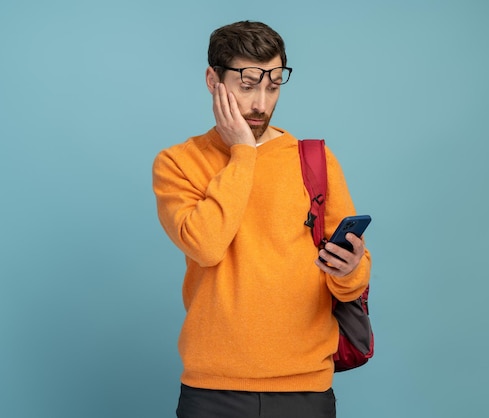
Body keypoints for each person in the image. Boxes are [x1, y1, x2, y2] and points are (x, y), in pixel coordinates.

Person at [152, 20, 372, 418]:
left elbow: (352, 279)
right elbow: (205, 245)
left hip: (306, 386)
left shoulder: (315, 160)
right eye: (248, 84)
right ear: (212, 80)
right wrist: (243, 153)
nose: (261, 104)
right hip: (212, 388)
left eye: (272, 87)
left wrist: (350, 268)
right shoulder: (178, 163)